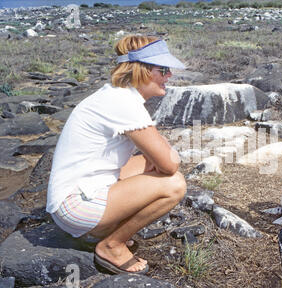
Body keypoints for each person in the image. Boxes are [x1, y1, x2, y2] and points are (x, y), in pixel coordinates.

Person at [46, 35, 187, 274]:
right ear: (141, 71)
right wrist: (163, 157)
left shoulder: (116, 94)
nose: (169, 76)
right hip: (74, 207)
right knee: (174, 184)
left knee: (150, 162)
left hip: (77, 192)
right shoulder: (123, 103)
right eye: (163, 69)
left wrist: (160, 156)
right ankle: (112, 244)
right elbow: (170, 163)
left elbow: (161, 156)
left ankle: (105, 229)